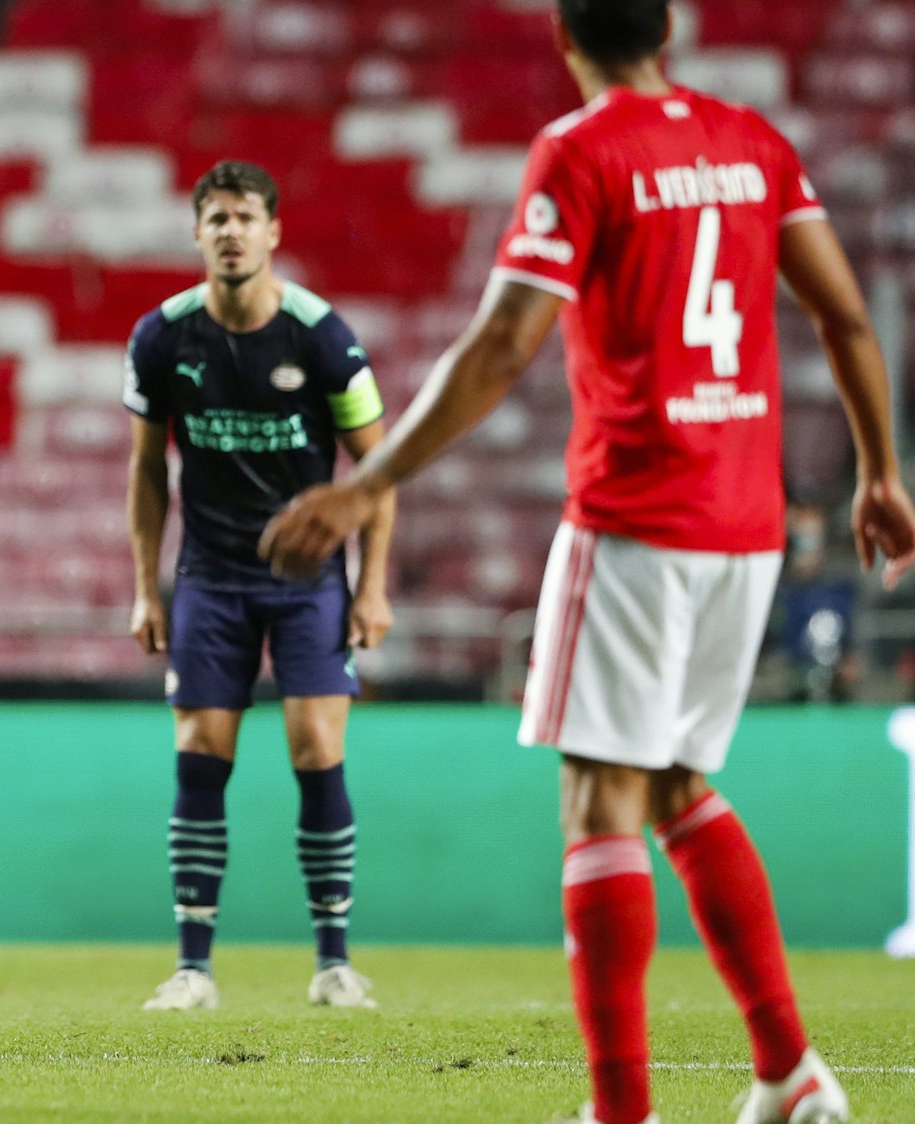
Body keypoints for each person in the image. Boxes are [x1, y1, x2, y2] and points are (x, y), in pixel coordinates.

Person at [259, 3, 915, 1122]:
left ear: (565, 39)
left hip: (635, 514)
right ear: (669, 30)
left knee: (595, 801)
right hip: (745, 522)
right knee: (672, 785)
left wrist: (369, 480)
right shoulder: (752, 143)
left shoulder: (582, 150)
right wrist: (878, 472)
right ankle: (788, 1070)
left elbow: (507, 338)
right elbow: (847, 316)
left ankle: (619, 1110)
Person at [124, 161, 394, 1013]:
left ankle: (333, 961)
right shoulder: (162, 338)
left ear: (273, 232)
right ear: (196, 233)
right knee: (201, 753)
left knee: (317, 748)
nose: (231, 232)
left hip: (307, 579)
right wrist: (145, 587)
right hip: (208, 576)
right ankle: (192, 969)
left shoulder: (321, 336)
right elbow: (145, 474)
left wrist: (373, 587)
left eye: (245, 217)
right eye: (216, 218)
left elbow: (377, 471)